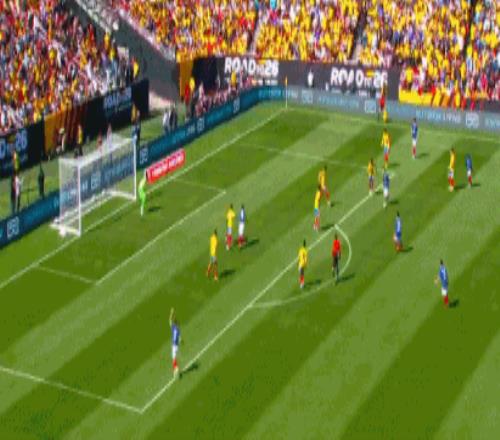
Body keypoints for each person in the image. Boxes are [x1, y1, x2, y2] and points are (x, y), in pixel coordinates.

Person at [169, 308, 181, 379]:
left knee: (174, 359)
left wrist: (171, 313)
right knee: (175, 358)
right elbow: (179, 339)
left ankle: (176, 370)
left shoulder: (173, 327)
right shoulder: (178, 330)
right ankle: (176, 370)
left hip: (174, 346)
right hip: (176, 346)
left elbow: (170, 320)